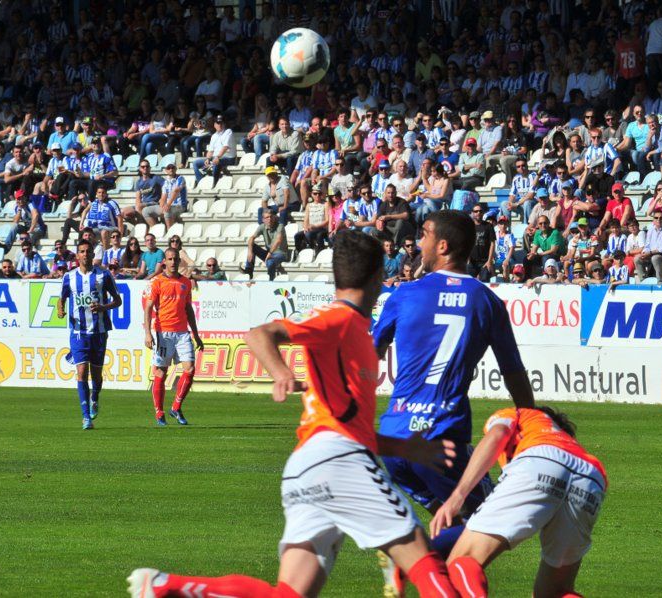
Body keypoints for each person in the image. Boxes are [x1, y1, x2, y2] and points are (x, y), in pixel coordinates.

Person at [128, 231, 458, 598]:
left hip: (310, 466)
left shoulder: (359, 335)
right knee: (426, 563)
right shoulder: (340, 319)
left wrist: (407, 449)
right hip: (340, 462)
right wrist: (282, 372)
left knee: (288, 594)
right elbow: (260, 333)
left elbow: (350, 426)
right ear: (377, 276)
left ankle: (169, 586)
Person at [372, 210, 536, 591]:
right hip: (440, 440)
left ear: (443, 247)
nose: (418, 242)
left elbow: (369, 354)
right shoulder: (487, 301)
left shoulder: (404, 294)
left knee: (461, 533)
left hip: (395, 438)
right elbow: (513, 372)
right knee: (488, 522)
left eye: (425, 235)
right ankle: (412, 559)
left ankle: (432, 574)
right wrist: (531, 420)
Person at [430, 406, 607, 598]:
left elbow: (498, 433)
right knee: (556, 592)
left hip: (541, 458)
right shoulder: (568, 441)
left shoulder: (523, 413)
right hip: (591, 477)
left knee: (463, 560)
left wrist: (458, 495)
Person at [57, 239, 122, 430]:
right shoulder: (69, 277)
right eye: (82, 251)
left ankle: (95, 397)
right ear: (77, 255)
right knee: (81, 372)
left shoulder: (104, 276)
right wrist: (60, 310)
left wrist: (103, 307)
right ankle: (86, 417)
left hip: (99, 332)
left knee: (96, 375)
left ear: (93, 254)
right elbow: (61, 299)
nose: (85, 254)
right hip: (78, 333)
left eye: (88, 251)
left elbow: (117, 301)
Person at [143, 248, 203, 426]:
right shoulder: (157, 282)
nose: (173, 262)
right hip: (163, 332)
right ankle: (159, 413)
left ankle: (175, 407)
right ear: (164, 262)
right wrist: (148, 333)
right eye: (170, 259)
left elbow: (188, 309)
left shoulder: (185, 282)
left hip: (183, 332)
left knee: (190, 369)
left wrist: (196, 334)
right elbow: (148, 308)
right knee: (161, 371)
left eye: (175, 259)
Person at [241, 209, 289, 281]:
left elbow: (278, 241)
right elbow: (251, 238)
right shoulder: (262, 226)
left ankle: (271, 280)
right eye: (267, 217)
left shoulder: (280, 226)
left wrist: (270, 253)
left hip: (280, 253)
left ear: (274, 217)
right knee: (252, 246)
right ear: (263, 220)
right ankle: (249, 271)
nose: (269, 219)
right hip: (269, 253)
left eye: (271, 217)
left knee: (270, 261)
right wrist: (250, 251)